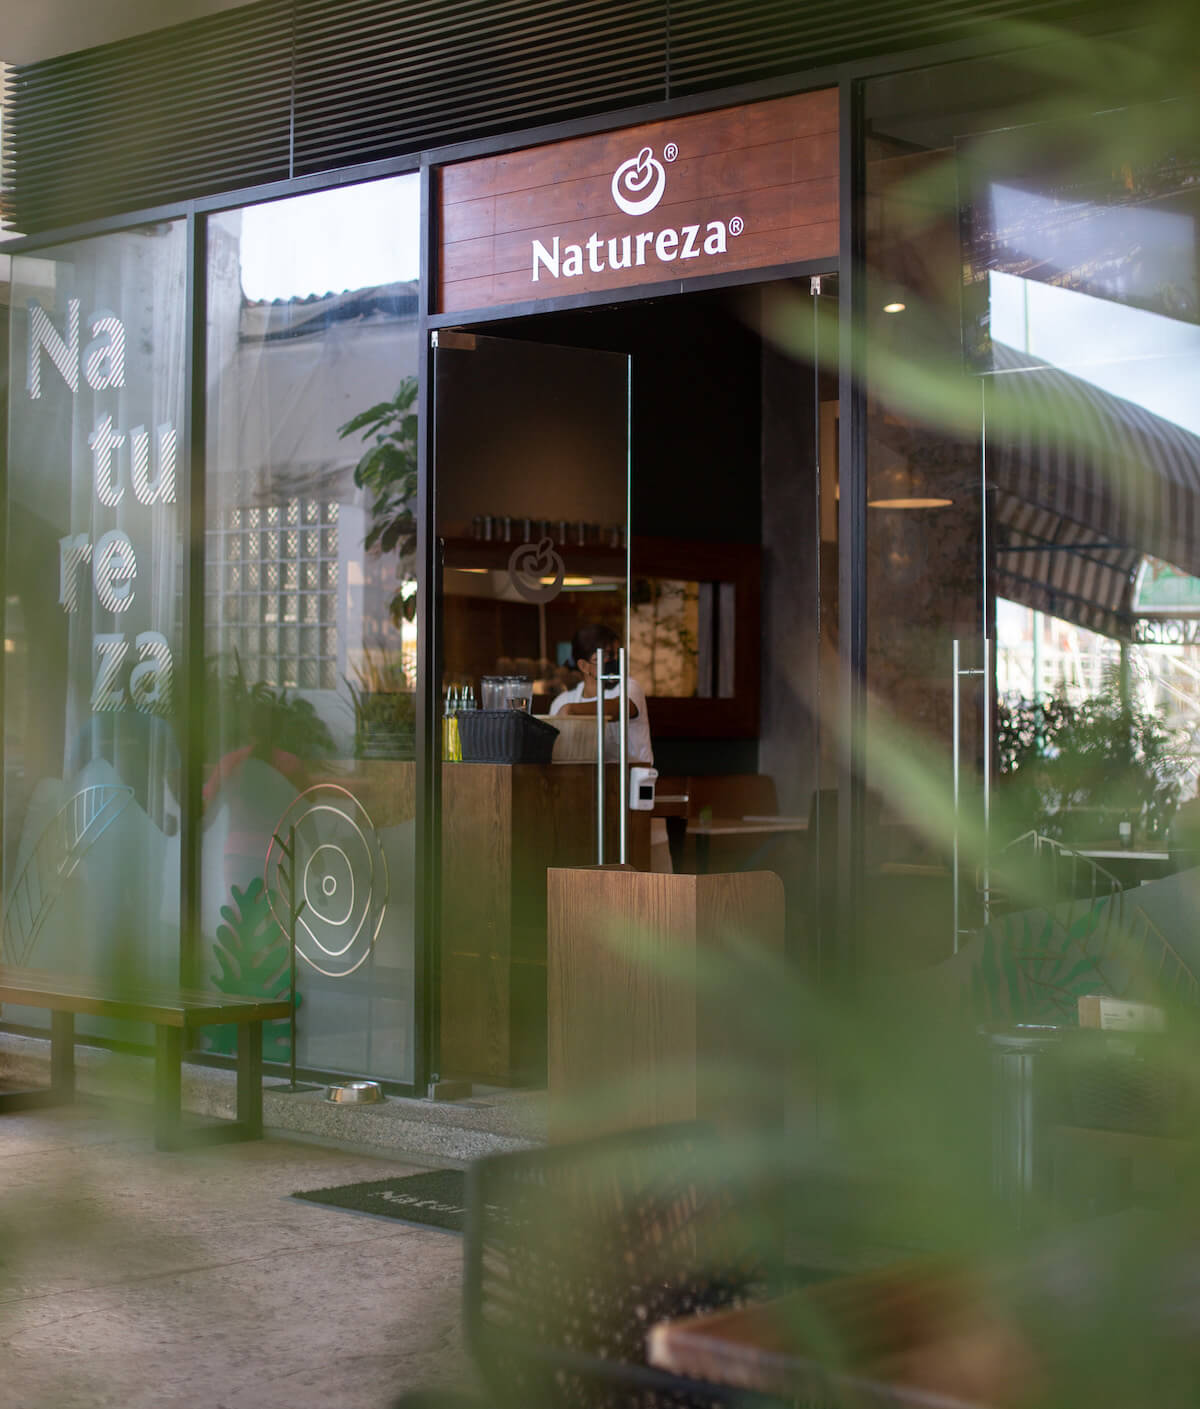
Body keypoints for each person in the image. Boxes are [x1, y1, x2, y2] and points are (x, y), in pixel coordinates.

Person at [548, 622, 653, 765]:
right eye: (607, 656)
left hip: (631, 779)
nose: (614, 660)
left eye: (617, 654)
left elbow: (618, 707)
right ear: (584, 666)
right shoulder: (562, 701)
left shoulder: (629, 686)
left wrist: (571, 710)